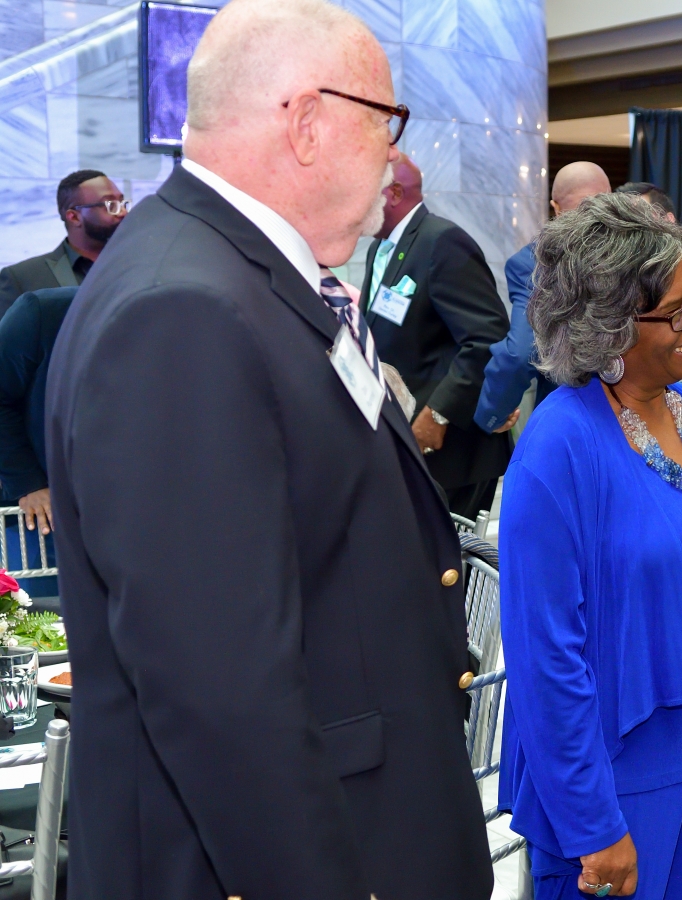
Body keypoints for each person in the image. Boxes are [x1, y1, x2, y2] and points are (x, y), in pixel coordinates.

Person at [44, 1, 492, 897]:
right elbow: (220, 695)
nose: (397, 158)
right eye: (386, 124)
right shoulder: (185, 310)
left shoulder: (234, 276)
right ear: (308, 124)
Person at [498, 192, 682, 899]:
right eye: (677, 310)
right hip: (621, 789)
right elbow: (545, 657)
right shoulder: (558, 447)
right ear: (609, 328)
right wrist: (593, 824)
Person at [356, 156, 511, 520]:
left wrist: (437, 415)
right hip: (406, 442)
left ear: (394, 193)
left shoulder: (442, 241)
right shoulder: (381, 247)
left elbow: (486, 339)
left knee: (451, 570)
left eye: (364, 187)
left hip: (452, 451)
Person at [473, 161, 611, 434]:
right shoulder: (644, 249)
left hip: (574, 420)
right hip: (648, 409)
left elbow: (521, 351)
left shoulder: (535, 263)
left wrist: (492, 413)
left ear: (556, 207)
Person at [0, 287, 76, 598]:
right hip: (45, 509)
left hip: (135, 508)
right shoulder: (42, 312)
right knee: (47, 618)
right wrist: (28, 482)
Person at [0, 170, 127, 315]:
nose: (123, 212)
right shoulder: (21, 278)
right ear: (74, 217)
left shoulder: (137, 265)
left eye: (122, 203)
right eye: (110, 205)